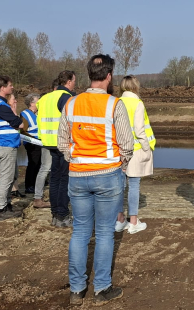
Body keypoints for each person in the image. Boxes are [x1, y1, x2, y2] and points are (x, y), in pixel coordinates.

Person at [59, 54, 133, 305]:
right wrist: (120, 165)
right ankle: (101, 288)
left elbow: (62, 143)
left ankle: (77, 290)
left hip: (78, 175)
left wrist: (76, 158)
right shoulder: (115, 105)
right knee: (103, 234)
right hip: (108, 175)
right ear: (109, 76)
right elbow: (127, 144)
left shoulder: (71, 104)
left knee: (80, 233)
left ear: (89, 75)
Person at [115, 75, 156, 234]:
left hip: (118, 150)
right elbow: (140, 130)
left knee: (119, 185)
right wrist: (147, 148)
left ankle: (119, 220)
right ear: (135, 87)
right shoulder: (137, 103)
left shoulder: (116, 102)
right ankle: (133, 222)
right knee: (134, 186)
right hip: (136, 149)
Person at [38, 71, 77, 227]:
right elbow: (71, 120)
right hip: (62, 143)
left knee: (55, 179)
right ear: (68, 82)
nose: (75, 83)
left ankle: (55, 214)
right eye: (74, 81)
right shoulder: (65, 97)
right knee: (64, 179)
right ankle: (62, 215)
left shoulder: (46, 97)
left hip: (48, 142)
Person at [0, 76, 26, 221]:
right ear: (2, 88)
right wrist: (14, 112)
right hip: (5, 145)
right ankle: (1, 210)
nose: (12, 87)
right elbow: (19, 123)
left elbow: (16, 123)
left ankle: (7, 205)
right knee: (6, 178)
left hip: (6, 145)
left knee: (11, 176)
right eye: (10, 85)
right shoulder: (1, 106)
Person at [33, 79, 59, 209]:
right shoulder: (59, 99)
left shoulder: (43, 101)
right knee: (51, 169)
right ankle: (41, 197)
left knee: (45, 168)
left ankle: (38, 197)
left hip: (45, 139)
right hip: (56, 140)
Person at [20, 93, 41, 196]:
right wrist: (32, 140)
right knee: (33, 164)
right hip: (31, 143)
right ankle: (29, 186)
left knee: (39, 164)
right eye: (38, 101)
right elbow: (23, 130)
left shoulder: (38, 113)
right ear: (32, 103)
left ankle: (36, 184)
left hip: (39, 143)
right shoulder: (25, 114)